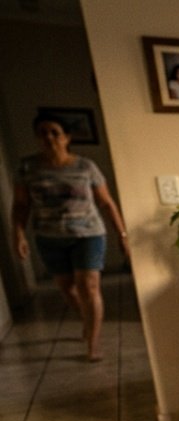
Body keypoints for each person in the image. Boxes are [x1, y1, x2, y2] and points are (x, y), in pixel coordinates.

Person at [11, 113, 129, 361]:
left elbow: (106, 203)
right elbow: (21, 205)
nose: (49, 137)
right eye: (42, 133)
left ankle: (93, 343)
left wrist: (122, 235)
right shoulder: (27, 168)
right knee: (68, 289)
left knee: (89, 286)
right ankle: (86, 319)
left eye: (55, 132)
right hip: (49, 236)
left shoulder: (85, 167)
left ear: (67, 138)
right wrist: (18, 234)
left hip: (88, 234)